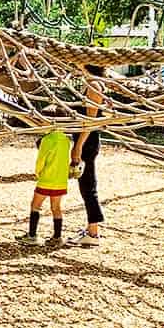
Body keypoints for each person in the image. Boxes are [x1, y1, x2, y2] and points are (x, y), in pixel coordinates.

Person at [66, 64, 107, 247]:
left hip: (88, 141)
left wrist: (78, 147)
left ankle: (93, 232)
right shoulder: (91, 82)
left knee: (88, 186)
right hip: (86, 139)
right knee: (86, 185)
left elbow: (91, 121)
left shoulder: (94, 85)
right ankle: (92, 229)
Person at [16, 127, 72, 247]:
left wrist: (38, 173)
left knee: (35, 206)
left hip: (47, 179)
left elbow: (41, 160)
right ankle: (57, 238)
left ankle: (32, 236)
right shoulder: (66, 139)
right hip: (61, 181)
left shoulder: (47, 139)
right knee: (56, 208)